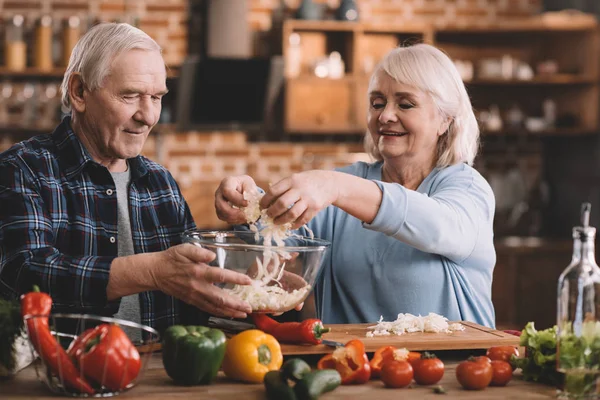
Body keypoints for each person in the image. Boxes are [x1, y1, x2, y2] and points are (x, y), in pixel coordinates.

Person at [215, 43, 496, 328]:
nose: (385, 115)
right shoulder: (342, 189)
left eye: (405, 104)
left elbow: (440, 226)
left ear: (445, 120)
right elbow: (282, 232)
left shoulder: (467, 188)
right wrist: (249, 203)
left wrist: (335, 185)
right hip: (354, 366)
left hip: (452, 367)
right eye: (377, 103)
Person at [0, 23, 252, 337]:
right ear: (80, 93)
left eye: (157, 97)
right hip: (60, 378)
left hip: (160, 376)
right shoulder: (23, 168)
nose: (147, 116)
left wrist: (249, 279)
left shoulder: (160, 183)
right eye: (130, 96)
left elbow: (192, 287)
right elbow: (25, 274)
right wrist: (151, 272)